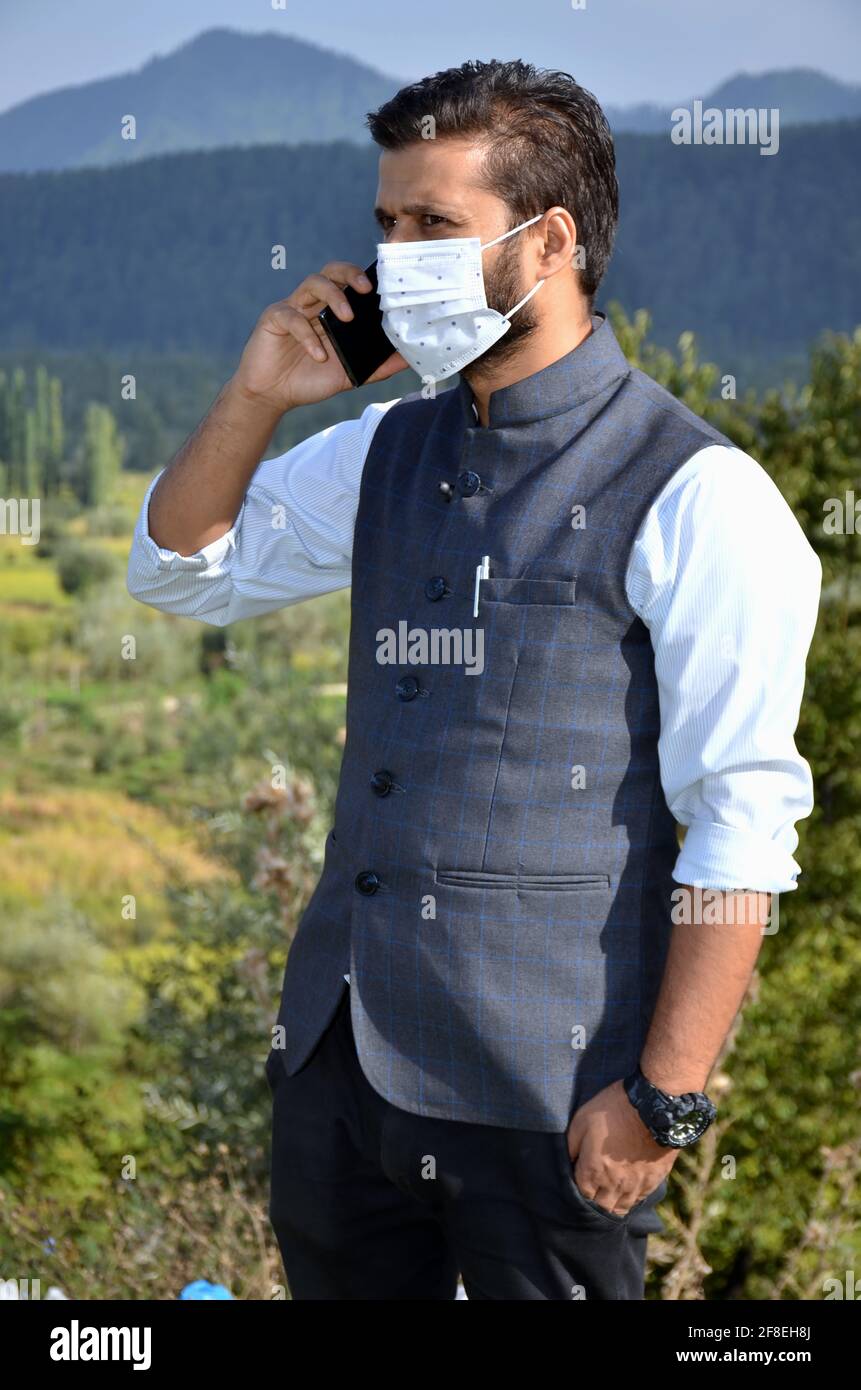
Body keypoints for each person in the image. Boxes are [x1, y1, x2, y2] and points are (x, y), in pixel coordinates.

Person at [127, 59, 821, 1301]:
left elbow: (741, 824)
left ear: (548, 241)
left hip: (546, 1097)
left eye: (435, 226)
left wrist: (663, 1099)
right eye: (387, 224)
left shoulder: (701, 493)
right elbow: (183, 571)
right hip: (340, 1078)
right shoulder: (386, 443)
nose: (397, 258)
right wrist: (256, 396)